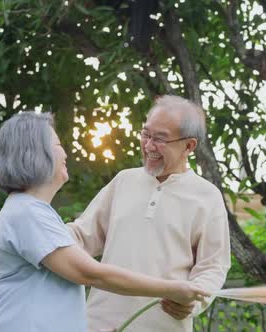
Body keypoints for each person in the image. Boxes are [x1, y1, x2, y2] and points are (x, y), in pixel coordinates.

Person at [0, 111, 209, 332]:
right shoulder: (26, 213)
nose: (65, 154)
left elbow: (42, 298)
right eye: (58, 146)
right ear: (35, 153)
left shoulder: (34, 213)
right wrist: (173, 288)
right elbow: (91, 274)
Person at [68, 95, 231, 332]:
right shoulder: (124, 181)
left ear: (189, 146)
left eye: (160, 139)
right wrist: (41, 231)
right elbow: (82, 237)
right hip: (100, 325)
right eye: (146, 134)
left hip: (164, 325)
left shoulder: (207, 197)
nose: (148, 146)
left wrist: (193, 301)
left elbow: (213, 266)